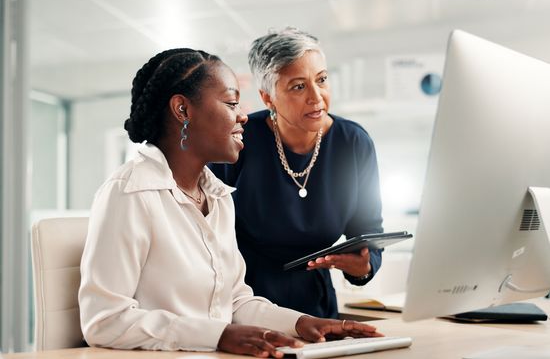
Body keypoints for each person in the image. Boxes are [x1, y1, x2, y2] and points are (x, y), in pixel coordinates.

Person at [78, 48, 382, 356]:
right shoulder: (130, 193)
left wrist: (302, 323)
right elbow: (104, 321)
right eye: (231, 103)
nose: (243, 116)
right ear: (182, 110)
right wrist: (219, 336)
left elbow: (235, 301)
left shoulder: (219, 196)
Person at [210, 28, 384, 319]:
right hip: (244, 304)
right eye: (298, 86)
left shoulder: (353, 143)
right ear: (268, 97)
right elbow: (205, 235)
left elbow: (368, 232)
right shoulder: (237, 140)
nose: (317, 97)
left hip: (317, 307)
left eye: (322, 80)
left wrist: (364, 266)